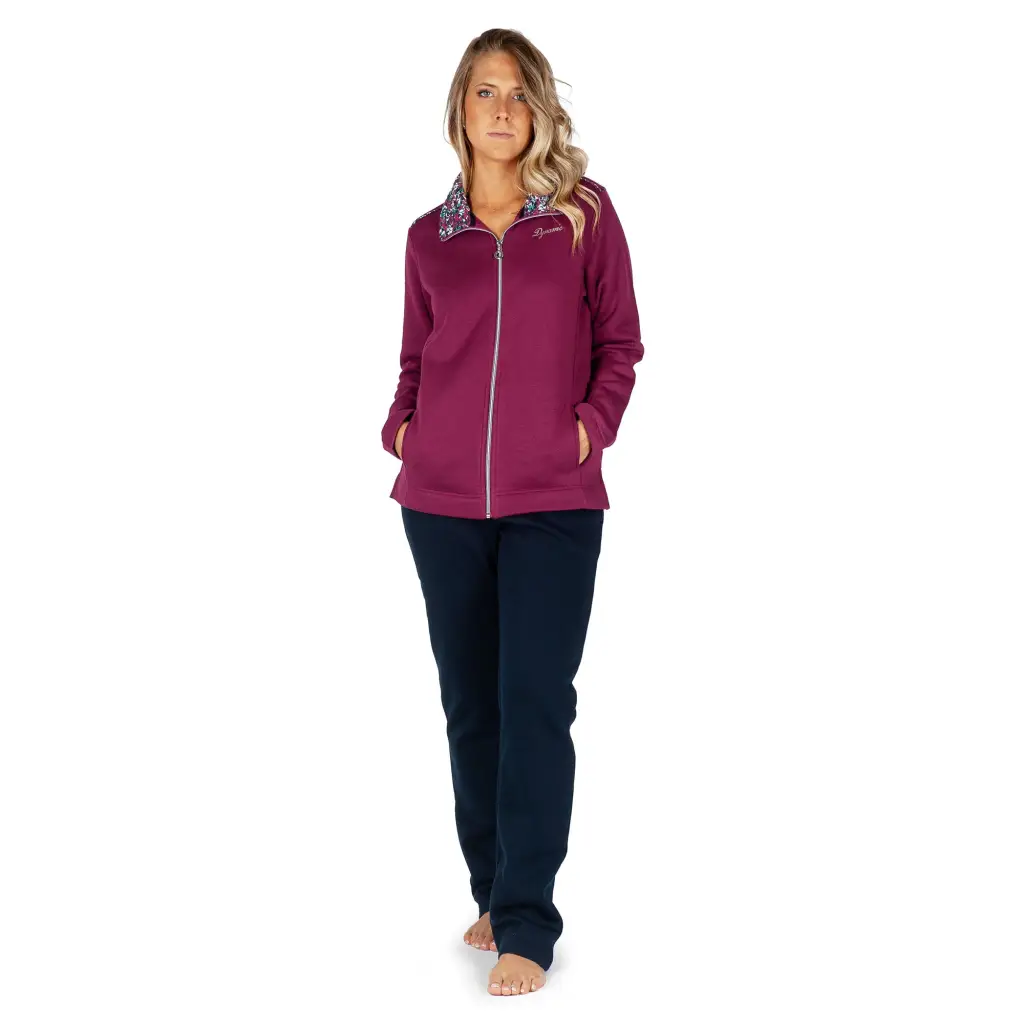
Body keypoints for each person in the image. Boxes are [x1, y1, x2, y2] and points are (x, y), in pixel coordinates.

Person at [380, 28, 643, 997]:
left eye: (519, 93)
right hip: (440, 502)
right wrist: (402, 427)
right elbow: (416, 356)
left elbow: (620, 342)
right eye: (486, 91)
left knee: (535, 701)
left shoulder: (580, 215)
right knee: (471, 705)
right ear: (460, 107)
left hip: (552, 502)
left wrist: (586, 431)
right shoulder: (428, 236)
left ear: (539, 111)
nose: (502, 109)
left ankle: (528, 920)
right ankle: (493, 889)